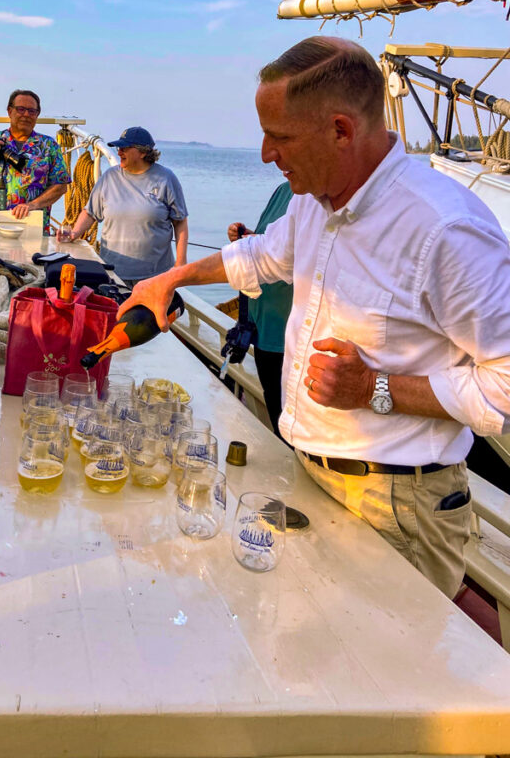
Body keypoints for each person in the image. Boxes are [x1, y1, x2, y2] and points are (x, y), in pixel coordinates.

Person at [119, 36, 510, 599]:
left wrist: (376, 388)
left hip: (397, 505)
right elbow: (260, 256)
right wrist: (169, 279)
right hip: (310, 473)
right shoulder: (313, 200)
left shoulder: (444, 228)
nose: (263, 154)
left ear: (341, 130)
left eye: (278, 137)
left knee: (379, 679)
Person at [66, 126, 189, 287]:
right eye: (118, 148)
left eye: (125, 148)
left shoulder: (166, 179)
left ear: (143, 152)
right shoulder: (109, 177)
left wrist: (181, 262)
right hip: (112, 273)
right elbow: (90, 213)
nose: (119, 152)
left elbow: (180, 222)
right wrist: (74, 233)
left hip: (155, 276)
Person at [226, 180, 294, 438]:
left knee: (287, 423)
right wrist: (246, 237)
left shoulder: (317, 197)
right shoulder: (283, 190)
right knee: (277, 417)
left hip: (287, 338)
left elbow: (292, 256)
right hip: (264, 328)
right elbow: (271, 240)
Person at [0, 89, 70, 234]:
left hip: (34, 228)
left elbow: (61, 186)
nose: (26, 114)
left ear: (37, 115)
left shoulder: (48, 146)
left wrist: (32, 205)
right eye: (21, 109)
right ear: (9, 111)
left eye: (32, 111)